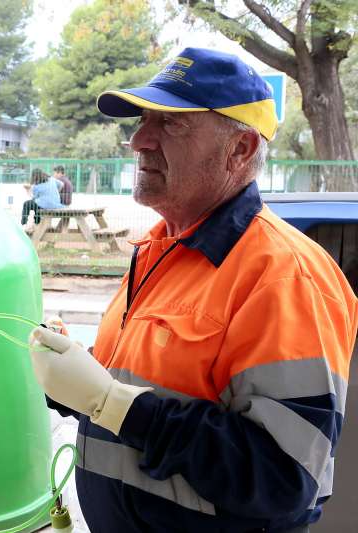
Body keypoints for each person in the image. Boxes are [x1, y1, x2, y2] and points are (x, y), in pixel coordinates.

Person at [28, 47, 357, 533]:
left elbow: (282, 478)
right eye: (144, 121)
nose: (139, 140)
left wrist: (110, 403)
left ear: (241, 149)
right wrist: (78, 377)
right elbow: (152, 381)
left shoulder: (285, 275)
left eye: (172, 124)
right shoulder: (161, 247)